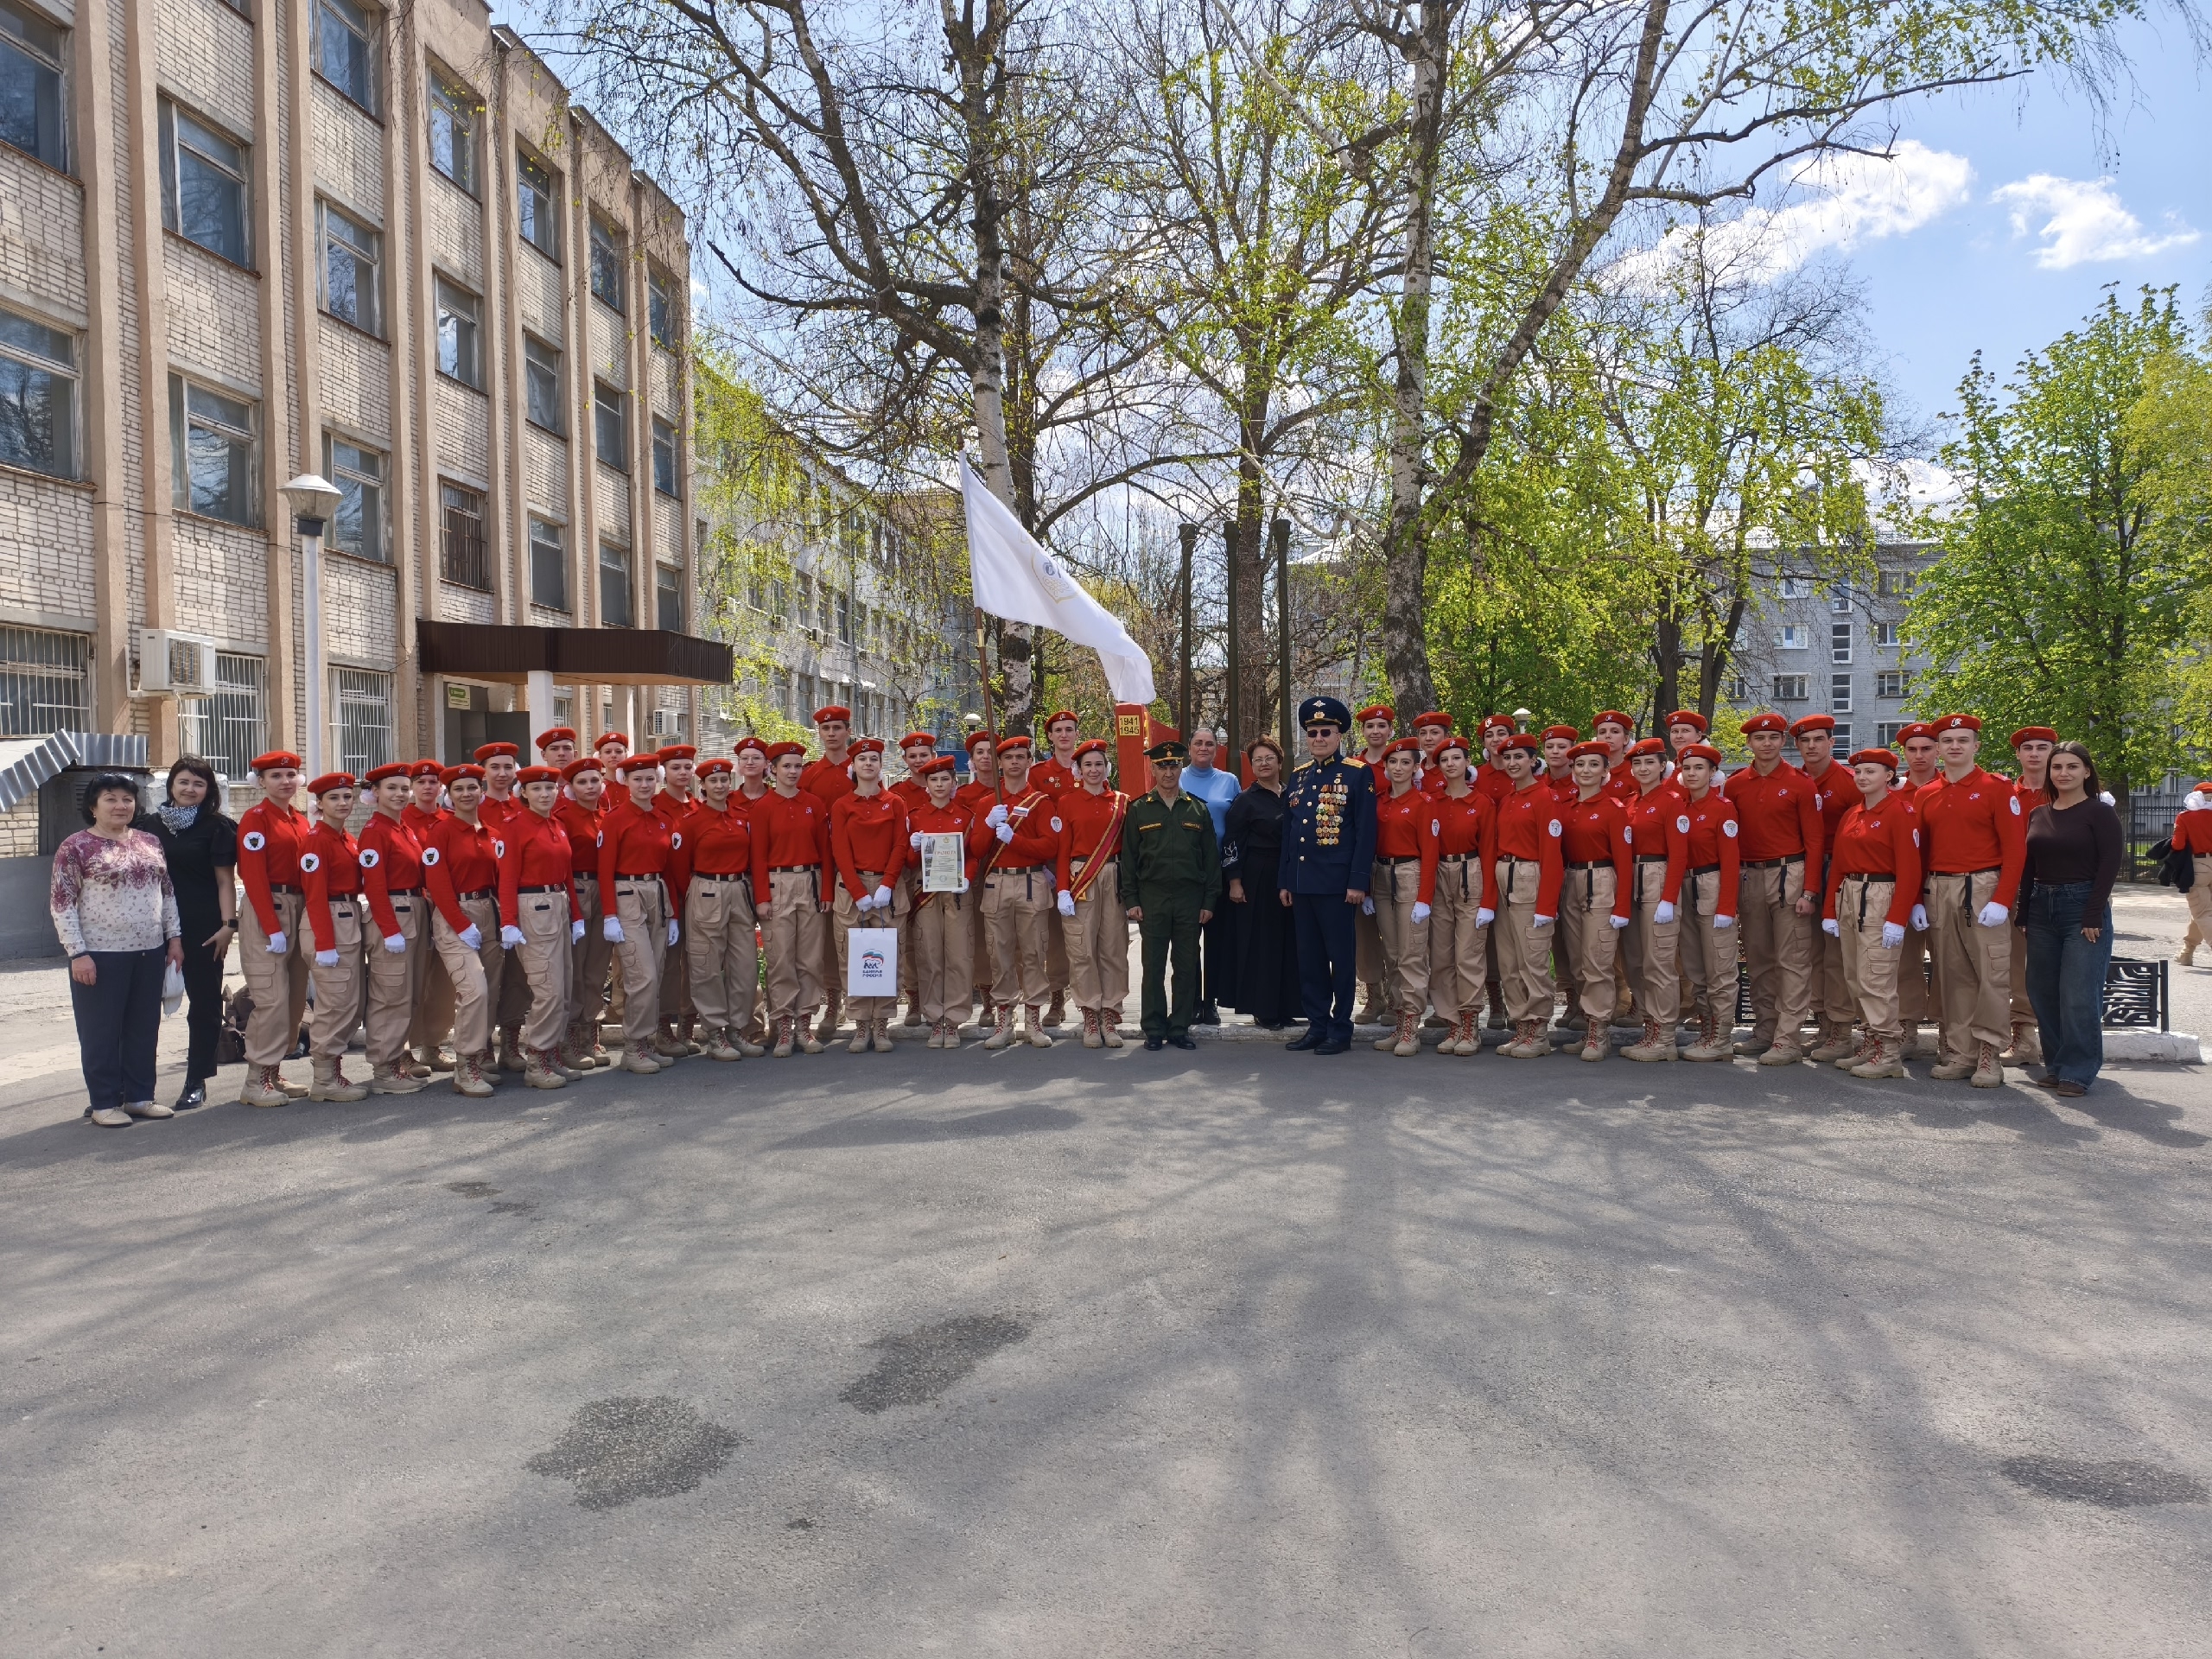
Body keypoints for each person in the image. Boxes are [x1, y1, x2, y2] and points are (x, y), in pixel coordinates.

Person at [52, 772, 182, 1127]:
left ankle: (140, 1097)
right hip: (99, 954)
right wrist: (77, 953)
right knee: (101, 1032)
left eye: (127, 799)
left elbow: (167, 892)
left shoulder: (150, 842)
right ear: (93, 807)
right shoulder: (75, 847)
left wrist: (174, 938)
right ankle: (104, 1103)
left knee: (144, 1028)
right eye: (110, 799)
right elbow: (62, 904)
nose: (121, 805)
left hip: (150, 950)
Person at [1918, 714, 2027, 1091]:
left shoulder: (1996, 788)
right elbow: (1921, 852)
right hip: (1939, 888)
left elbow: (2016, 850)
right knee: (1953, 977)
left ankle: (1989, 1054)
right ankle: (1962, 1052)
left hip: (1983, 887)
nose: (1954, 746)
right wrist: (1917, 899)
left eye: (1963, 740)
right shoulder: (1926, 793)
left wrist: (2002, 899)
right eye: (1947, 741)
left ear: (1976, 746)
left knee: (1991, 976)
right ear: (1938, 748)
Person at [2022, 741, 2124, 1097]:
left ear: (2086, 772)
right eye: (2057, 767)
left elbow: (2110, 863)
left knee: (2078, 994)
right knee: (2042, 991)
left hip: (2082, 908)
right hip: (2040, 908)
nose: (2063, 773)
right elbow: (2030, 865)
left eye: (2072, 767)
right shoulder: (2039, 814)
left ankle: (2078, 1072)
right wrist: (2023, 911)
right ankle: (2057, 1066)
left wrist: (2093, 912)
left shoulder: (2099, 813)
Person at [1722, 713, 1824, 1065]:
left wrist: (1810, 891)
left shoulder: (1800, 784)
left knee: (1792, 960)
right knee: (1758, 959)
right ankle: (1765, 1030)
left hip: (1789, 874)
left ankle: (1788, 1038)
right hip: (1749, 875)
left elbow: (1815, 841)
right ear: (1748, 743)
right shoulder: (1735, 785)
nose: (1766, 744)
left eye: (1773, 737)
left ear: (1783, 742)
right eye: (1759, 738)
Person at [1280, 697, 1379, 1054]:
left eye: (1326, 732)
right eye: (1313, 733)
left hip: (1338, 886)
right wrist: (1285, 880)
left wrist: (1358, 881)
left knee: (1341, 959)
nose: (1319, 738)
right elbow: (1289, 835)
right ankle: (1317, 1025)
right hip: (1303, 883)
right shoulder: (1299, 776)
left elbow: (1365, 832)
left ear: (1339, 736)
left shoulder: (1357, 773)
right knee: (1310, 960)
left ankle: (1340, 1029)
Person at [140, 756, 238, 1110]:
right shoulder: (146, 825)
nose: (190, 789)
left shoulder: (218, 827)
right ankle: (135, 1086)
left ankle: (196, 1079)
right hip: (151, 926)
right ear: (171, 785)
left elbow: (225, 881)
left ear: (208, 789)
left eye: (198, 783)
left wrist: (228, 926)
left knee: (204, 1005)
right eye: (183, 782)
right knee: (141, 1008)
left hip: (202, 925)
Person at [1820, 748, 1923, 1079]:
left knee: (1877, 977)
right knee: (1855, 976)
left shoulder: (1900, 812)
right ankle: (1872, 1043)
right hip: (1850, 893)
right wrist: (1830, 910)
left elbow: (1910, 869)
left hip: (1881, 895)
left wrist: (1897, 918)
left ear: (1889, 776)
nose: (1863, 777)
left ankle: (1889, 1052)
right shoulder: (1853, 813)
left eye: (1871, 772)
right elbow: (1839, 865)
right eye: (1859, 772)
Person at [1121, 739, 1221, 1051]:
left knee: (1187, 965)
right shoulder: (1139, 809)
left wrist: (1209, 901)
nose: (1168, 772)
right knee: (1153, 966)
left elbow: (1211, 860)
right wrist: (1131, 900)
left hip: (1190, 898)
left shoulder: (1197, 809)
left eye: (1174, 765)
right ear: (1153, 769)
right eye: (1162, 766)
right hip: (1153, 897)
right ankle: (1153, 1027)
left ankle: (1179, 1027)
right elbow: (1129, 859)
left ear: (1181, 767)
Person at [234, 750, 313, 1108]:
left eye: (291, 775)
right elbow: (252, 875)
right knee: (271, 997)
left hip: (299, 906)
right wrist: (271, 927)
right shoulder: (256, 818)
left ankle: (273, 1071)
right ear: (261, 782)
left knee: (294, 999)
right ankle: (255, 1081)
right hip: (269, 907)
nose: (285, 781)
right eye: (276, 776)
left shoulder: (300, 820)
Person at [499, 764, 585, 1087]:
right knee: (547, 988)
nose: (545, 794)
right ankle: (536, 1062)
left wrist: (576, 914)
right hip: (533, 906)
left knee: (563, 987)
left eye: (550, 788)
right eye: (536, 789)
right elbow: (507, 877)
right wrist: (509, 922)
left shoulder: (557, 825)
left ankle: (551, 1055)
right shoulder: (515, 826)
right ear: (524, 793)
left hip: (559, 904)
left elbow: (567, 874)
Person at [600, 753, 685, 1071]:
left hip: (657, 893)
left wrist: (674, 915)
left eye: (650, 778)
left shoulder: (663, 818)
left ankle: (645, 1044)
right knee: (641, 974)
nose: (645, 784)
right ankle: (633, 1046)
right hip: (627, 894)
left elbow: (670, 870)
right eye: (638, 779)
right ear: (627, 782)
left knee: (656, 974)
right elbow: (605, 869)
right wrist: (610, 914)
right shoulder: (615, 819)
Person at [422, 764, 502, 1098]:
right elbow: (437, 883)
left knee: (491, 992)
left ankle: (480, 1056)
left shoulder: (492, 832)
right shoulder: (441, 832)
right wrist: (460, 924)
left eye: (472, 787)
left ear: (481, 792)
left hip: (489, 912)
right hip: (456, 915)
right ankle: (465, 1065)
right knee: (474, 991)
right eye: (459, 789)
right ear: (449, 795)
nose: (466, 794)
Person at [977, 733, 1061, 1050]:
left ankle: (1033, 1021)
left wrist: (1016, 840)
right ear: (1000, 763)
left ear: (1029, 762)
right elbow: (976, 850)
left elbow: (1049, 846)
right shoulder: (988, 803)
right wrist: (988, 825)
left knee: (1034, 953)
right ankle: (1004, 1022)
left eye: (1020, 757)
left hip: (1031, 882)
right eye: (1008, 758)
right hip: (997, 883)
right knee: (999, 954)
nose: (1014, 762)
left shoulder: (1041, 802)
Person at [677, 758, 763, 1062]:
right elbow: (680, 867)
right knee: (707, 966)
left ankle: (737, 1029)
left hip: (739, 890)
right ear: (702, 785)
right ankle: (715, 1033)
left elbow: (754, 858)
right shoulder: (691, 822)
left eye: (724, 780)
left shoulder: (742, 817)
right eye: (713, 781)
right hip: (706, 890)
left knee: (745, 966)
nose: (719, 785)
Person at [829, 739, 912, 1053]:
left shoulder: (895, 802)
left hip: (889, 887)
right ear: (853, 766)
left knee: (888, 958)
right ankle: (861, 1024)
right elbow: (840, 850)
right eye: (862, 759)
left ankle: (882, 1023)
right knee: (854, 958)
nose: (868, 764)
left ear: (881, 765)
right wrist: (857, 890)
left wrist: (888, 883)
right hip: (853, 889)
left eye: (874, 759)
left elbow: (901, 844)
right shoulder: (842, 805)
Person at [751, 741, 833, 1056]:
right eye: (786, 766)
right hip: (777, 884)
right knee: (780, 958)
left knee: (810, 959)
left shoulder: (813, 803)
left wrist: (826, 891)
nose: (793, 771)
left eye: (798, 766)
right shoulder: (763, 807)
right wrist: (762, 897)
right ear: (772, 769)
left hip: (810, 880)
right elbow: (757, 856)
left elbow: (825, 850)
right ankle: (783, 1025)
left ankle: (804, 1024)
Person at [356, 761, 430, 1096]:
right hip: (394, 914)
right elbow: (373, 885)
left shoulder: (403, 828)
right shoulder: (375, 831)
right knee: (390, 995)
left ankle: (397, 1059)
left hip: (413, 909)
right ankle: (384, 1069)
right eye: (391, 788)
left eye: (404, 788)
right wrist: (389, 930)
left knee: (407, 994)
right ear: (375, 792)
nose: (400, 794)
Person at [1488, 734, 1564, 1058]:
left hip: (1529, 877)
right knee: (1509, 962)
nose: (1512, 763)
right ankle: (1521, 1026)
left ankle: (1538, 1030)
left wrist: (1547, 905)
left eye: (1519, 757)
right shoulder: (1508, 799)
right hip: (1504, 876)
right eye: (1507, 758)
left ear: (1533, 760)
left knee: (1532, 960)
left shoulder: (1545, 797)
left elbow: (1552, 854)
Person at [906, 756, 989, 1047]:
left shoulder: (965, 815)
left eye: (945, 779)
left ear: (954, 782)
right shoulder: (916, 816)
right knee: (929, 955)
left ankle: (953, 1020)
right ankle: (934, 1018)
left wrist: (967, 876)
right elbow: (909, 861)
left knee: (959, 955)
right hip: (926, 894)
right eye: (934, 780)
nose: (939, 784)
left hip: (957, 892)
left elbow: (973, 853)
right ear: (926, 785)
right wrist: (913, 848)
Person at [1557, 741, 1633, 1061]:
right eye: (1580, 765)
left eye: (1593, 764)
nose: (1586, 770)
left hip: (1600, 881)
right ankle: (1589, 1025)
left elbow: (1624, 861)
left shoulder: (1614, 808)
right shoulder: (1566, 808)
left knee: (1598, 960)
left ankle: (1599, 1032)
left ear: (1605, 771)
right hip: (1571, 881)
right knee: (1578, 961)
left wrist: (1622, 906)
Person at [1054, 738, 1131, 1048]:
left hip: (1113, 875)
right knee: (1082, 949)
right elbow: (1062, 850)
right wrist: (1062, 889)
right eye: (1088, 764)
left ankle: (1110, 1014)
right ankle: (1089, 1013)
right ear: (1079, 769)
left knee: (1114, 948)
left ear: (1107, 767)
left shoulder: (1122, 802)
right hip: (1080, 877)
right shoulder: (1067, 802)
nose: (1094, 769)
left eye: (1099, 763)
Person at [1792, 714, 1859, 1062]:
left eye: (1819, 739)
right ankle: (1821, 1023)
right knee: (1810, 952)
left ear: (1832, 743)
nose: (1812, 746)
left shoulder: (1849, 781)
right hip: (1803, 869)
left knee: (1837, 954)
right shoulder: (1796, 780)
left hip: (1838, 868)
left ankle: (1841, 1029)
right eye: (1805, 741)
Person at [299, 772, 370, 1102]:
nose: (342, 803)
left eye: (347, 797)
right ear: (319, 803)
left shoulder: (346, 839)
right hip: (327, 919)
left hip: (347, 916)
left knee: (348, 1002)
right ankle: (324, 1080)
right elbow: (314, 895)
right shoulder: (317, 840)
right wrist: (324, 945)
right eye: (333, 798)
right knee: (335, 1003)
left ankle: (333, 1074)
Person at [1223, 735, 1301, 1030]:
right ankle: (1264, 1009)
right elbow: (1231, 843)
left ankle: (1287, 1006)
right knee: (1263, 943)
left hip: (1292, 875)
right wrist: (1235, 881)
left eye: (1269, 758)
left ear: (1280, 762)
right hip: (1258, 876)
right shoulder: (1245, 800)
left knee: (1289, 942)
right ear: (1252, 766)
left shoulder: (1294, 795)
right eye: (1258, 760)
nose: (1264, 764)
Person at [1424, 735, 1497, 1055]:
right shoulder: (1432, 802)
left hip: (1471, 873)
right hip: (1440, 875)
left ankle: (1470, 1023)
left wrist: (1489, 901)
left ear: (1468, 762)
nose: (1451, 764)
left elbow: (1490, 851)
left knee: (1468, 954)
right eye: (1444, 760)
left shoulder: (1482, 803)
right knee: (1441, 956)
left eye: (1456, 758)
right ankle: (1451, 1021)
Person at [1369, 736, 1440, 1057]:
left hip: (1410, 874)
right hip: (1382, 876)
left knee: (1412, 953)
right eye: (1393, 762)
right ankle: (1399, 1021)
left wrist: (1425, 898)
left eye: (1405, 762)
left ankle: (1412, 1024)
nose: (1398, 768)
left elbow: (1431, 854)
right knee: (1393, 953)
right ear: (1386, 766)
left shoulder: (1424, 803)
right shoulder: (1379, 801)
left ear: (1416, 767)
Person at [1618, 737, 1687, 1063]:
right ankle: (1650, 1029)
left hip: (1658, 876)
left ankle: (1665, 1036)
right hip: (1630, 878)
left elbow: (1679, 853)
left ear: (1663, 766)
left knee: (1659, 962)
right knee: (1635, 961)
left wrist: (1669, 898)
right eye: (1637, 763)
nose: (1643, 768)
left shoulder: (1672, 801)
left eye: (1650, 762)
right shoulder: (1630, 802)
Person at [1674, 744, 1741, 1062]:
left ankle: (1722, 1038)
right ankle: (1707, 1029)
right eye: (1687, 768)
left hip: (1712, 884)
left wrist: (1727, 906)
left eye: (1699, 768)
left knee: (1719, 968)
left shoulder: (1722, 807)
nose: (1692, 774)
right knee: (1695, 966)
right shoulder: (1679, 807)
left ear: (1713, 772)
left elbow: (1730, 860)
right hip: (1685, 887)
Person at [2001, 725, 2058, 1065]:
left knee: (2059, 967)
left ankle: (2060, 1042)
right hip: (2017, 889)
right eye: (2028, 748)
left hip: (2061, 888)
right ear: (2019, 755)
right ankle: (2024, 1039)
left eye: (2042, 747)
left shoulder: (2067, 792)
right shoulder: (2006, 794)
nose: (2034, 754)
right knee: (2018, 967)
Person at [556, 756, 614, 1069]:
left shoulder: (608, 816)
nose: (590, 787)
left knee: (597, 966)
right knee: (575, 968)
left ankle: (590, 1031)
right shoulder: (563, 817)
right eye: (582, 782)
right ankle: (568, 1037)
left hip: (605, 888)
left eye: (595, 781)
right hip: (576, 888)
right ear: (571, 787)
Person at [1181, 727, 1243, 1025]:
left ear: (1217, 749)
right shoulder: (1177, 778)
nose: (1203, 748)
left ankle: (1211, 1002)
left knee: (1216, 942)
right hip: (1186, 873)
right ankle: (1192, 1000)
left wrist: (1236, 876)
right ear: (1189, 748)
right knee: (1188, 941)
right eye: (1198, 743)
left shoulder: (1229, 781)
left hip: (1219, 872)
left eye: (1209, 744)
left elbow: (1238, 827)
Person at [1894, 721, 1944, 1053]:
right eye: (1912, 749)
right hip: (1902, 888)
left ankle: (1948, 1031)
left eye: (1926, 748)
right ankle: (1906, 1028)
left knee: (1948, 962)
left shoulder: (1949, 788)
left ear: (1938, 750)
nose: (1919, 755)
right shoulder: (1893, 793)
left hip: (1944, 884)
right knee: (1904, 960)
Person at [404, 758, 455, 1077]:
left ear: (441, 786)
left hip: (447, 906)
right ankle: (404, 1050)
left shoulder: (449, 820)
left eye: (433, 781)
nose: (427, 787)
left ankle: (433, 1046)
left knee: (443, 981)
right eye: (421, 782)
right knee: (411, 979)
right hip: (415, 904)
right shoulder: (401, 819)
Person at [653, 745, 705, 1054]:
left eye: (687, 767)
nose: (683, 773)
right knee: (669, 965)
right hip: (667, 896)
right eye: (676, 768)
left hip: (698, 896)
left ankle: (687, 1025)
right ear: (664, 772)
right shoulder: (655, 807)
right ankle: (663, 1028)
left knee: (696, 962)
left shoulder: (698, 806)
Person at [1351, 703, 1395, 1020]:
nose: (1376, 731)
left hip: (1394, 857)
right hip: (1361, 859)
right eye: (1370, 726)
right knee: (1364, 935)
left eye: (1381, 726)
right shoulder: (1354, 767)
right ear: (1363, 731)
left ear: (1390, 730)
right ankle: (1374, 996)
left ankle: (1396, 998)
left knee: (1394, 934)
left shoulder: (1400, 761)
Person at [2175, 778, 2212, 966]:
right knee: (2200, 912)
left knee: (2202, 912)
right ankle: (2186, 952)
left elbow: (2178, 845)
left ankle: (2187, 953)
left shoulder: (2186, 817)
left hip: (2199, 866)